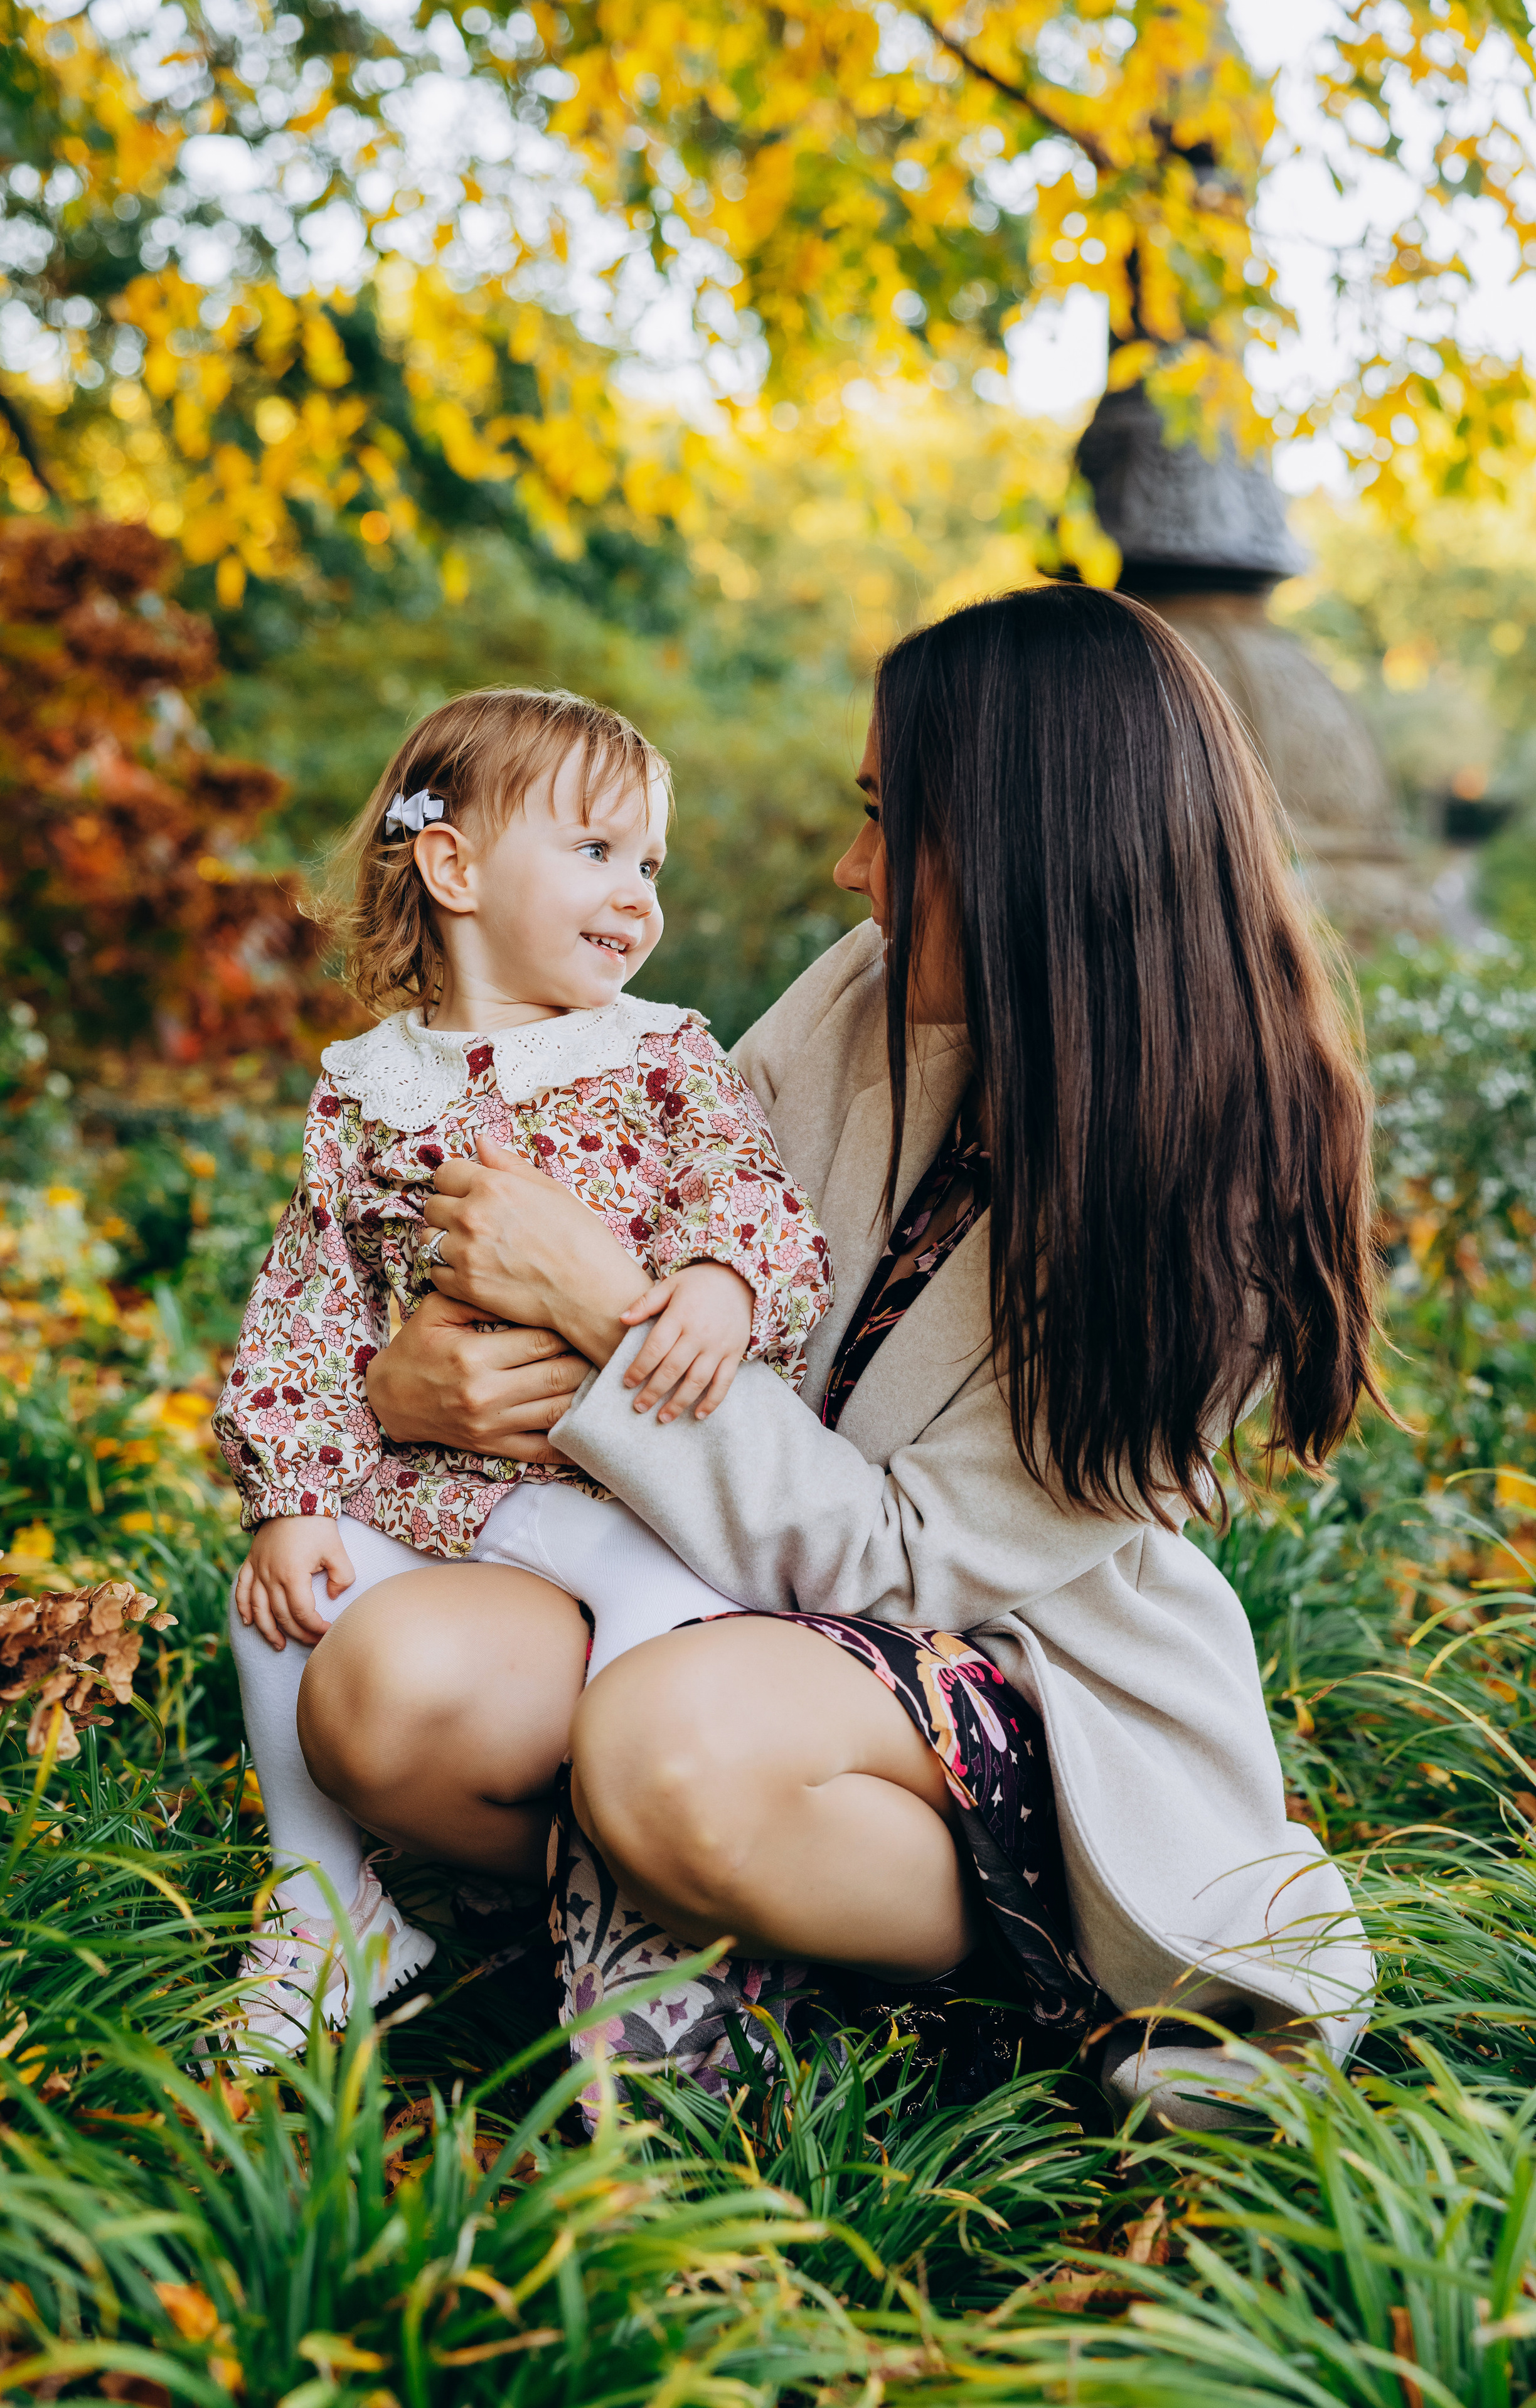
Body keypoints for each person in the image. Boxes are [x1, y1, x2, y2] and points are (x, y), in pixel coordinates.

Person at [297, 587, 1382, 2120]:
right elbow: (655, 1226)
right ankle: (752, 1932)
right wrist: (408, 1384)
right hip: (704, 1574)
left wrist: (609, 1317)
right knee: (383, 1695)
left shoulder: (1220, 1190)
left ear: (1027, 846)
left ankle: (1021, 1984)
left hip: (1002, 1671)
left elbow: (894, 1556)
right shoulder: (865, 990)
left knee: (668, 1742)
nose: (850, 866)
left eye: (890, 820)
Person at [214, 686, 833, 2057]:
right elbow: (309, 1299)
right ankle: (330, 1905)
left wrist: (724, 1280)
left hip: (624, 1490)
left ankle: (659, 1939)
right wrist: (295, 1494)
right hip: (430, 1495)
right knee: (272, 1607)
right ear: (453, 867)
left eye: (649, 864)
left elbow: (755, 1199)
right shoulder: (367, 1086)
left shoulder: (659, 1053)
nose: (635, 894)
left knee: (660, 1649)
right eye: (597, 852)